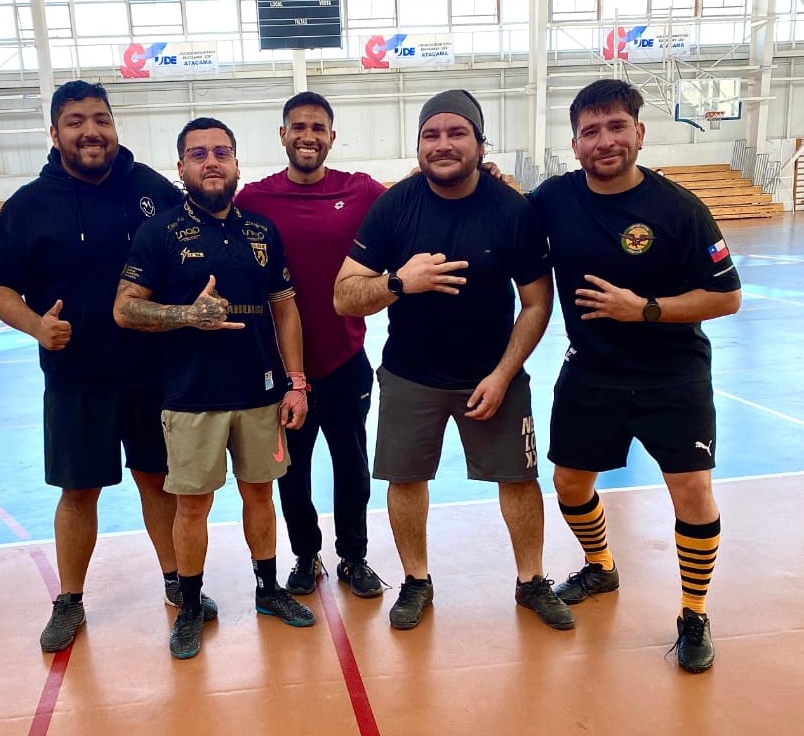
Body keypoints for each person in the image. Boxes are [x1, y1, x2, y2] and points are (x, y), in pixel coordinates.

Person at [0, 80, 215, 653]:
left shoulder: (152, 189)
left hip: (155, 374)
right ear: (54, 133)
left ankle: (177, 581)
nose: (91, 131)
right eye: (76, 121)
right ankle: (70, 599)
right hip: (76, 378)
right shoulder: (29, 206)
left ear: (114, 126)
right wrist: (35, 325)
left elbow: (201, 236)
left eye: (101, 119)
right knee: (79, 491)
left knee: (158, 482)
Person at [333, 89, 575, 632]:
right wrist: (399, 282)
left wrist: (503, 374)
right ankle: (416, 580)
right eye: (431, 134)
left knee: (519, 479)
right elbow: (344, 296)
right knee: (405, 479)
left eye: (456, 132)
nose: (442, 144)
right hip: (409, 376)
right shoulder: (395, 206)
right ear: (419, 144)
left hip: (493, 375)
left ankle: (531, 581)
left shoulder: (511, 209)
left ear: (480, 143)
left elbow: (537, 303)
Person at [529, 78, 742, 673]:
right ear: (575, 143)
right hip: (592, 370)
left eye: (617, 126)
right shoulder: (554, 199)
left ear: (640, 133)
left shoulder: (679, 209)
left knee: (692, 491)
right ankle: (601, 566)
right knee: (570, 484)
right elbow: (504, 215)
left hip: (672, 375)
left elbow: (727, 296)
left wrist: (643, 308)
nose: (605, 140)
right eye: (591, 131)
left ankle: (694, 612)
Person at [113, 116, 316, 660]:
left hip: (260, 393)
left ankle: (268, 589)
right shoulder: (160, 232)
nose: (211, 162)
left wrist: (296, 383)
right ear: (180, 167)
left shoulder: (261, 232)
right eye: (199, 154)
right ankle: (189, 605)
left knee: (260, 495)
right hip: (191, 397)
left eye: (221, 152)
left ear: (236, 164)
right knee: (192, 507)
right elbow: (124, 309)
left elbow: (285, 308)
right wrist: (187, 314)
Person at [234, 92, 387, 599]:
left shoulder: (360, 190)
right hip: (282, 369)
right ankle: (305, 554)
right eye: (298, 127)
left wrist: (486, 176)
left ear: (332, 137)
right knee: (291, 471)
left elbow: (414, 200)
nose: (308, 136)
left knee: (352, 465)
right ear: (282, 135)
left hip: (345, 359)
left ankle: (354, 557)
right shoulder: (254, 199)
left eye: (318, 128)